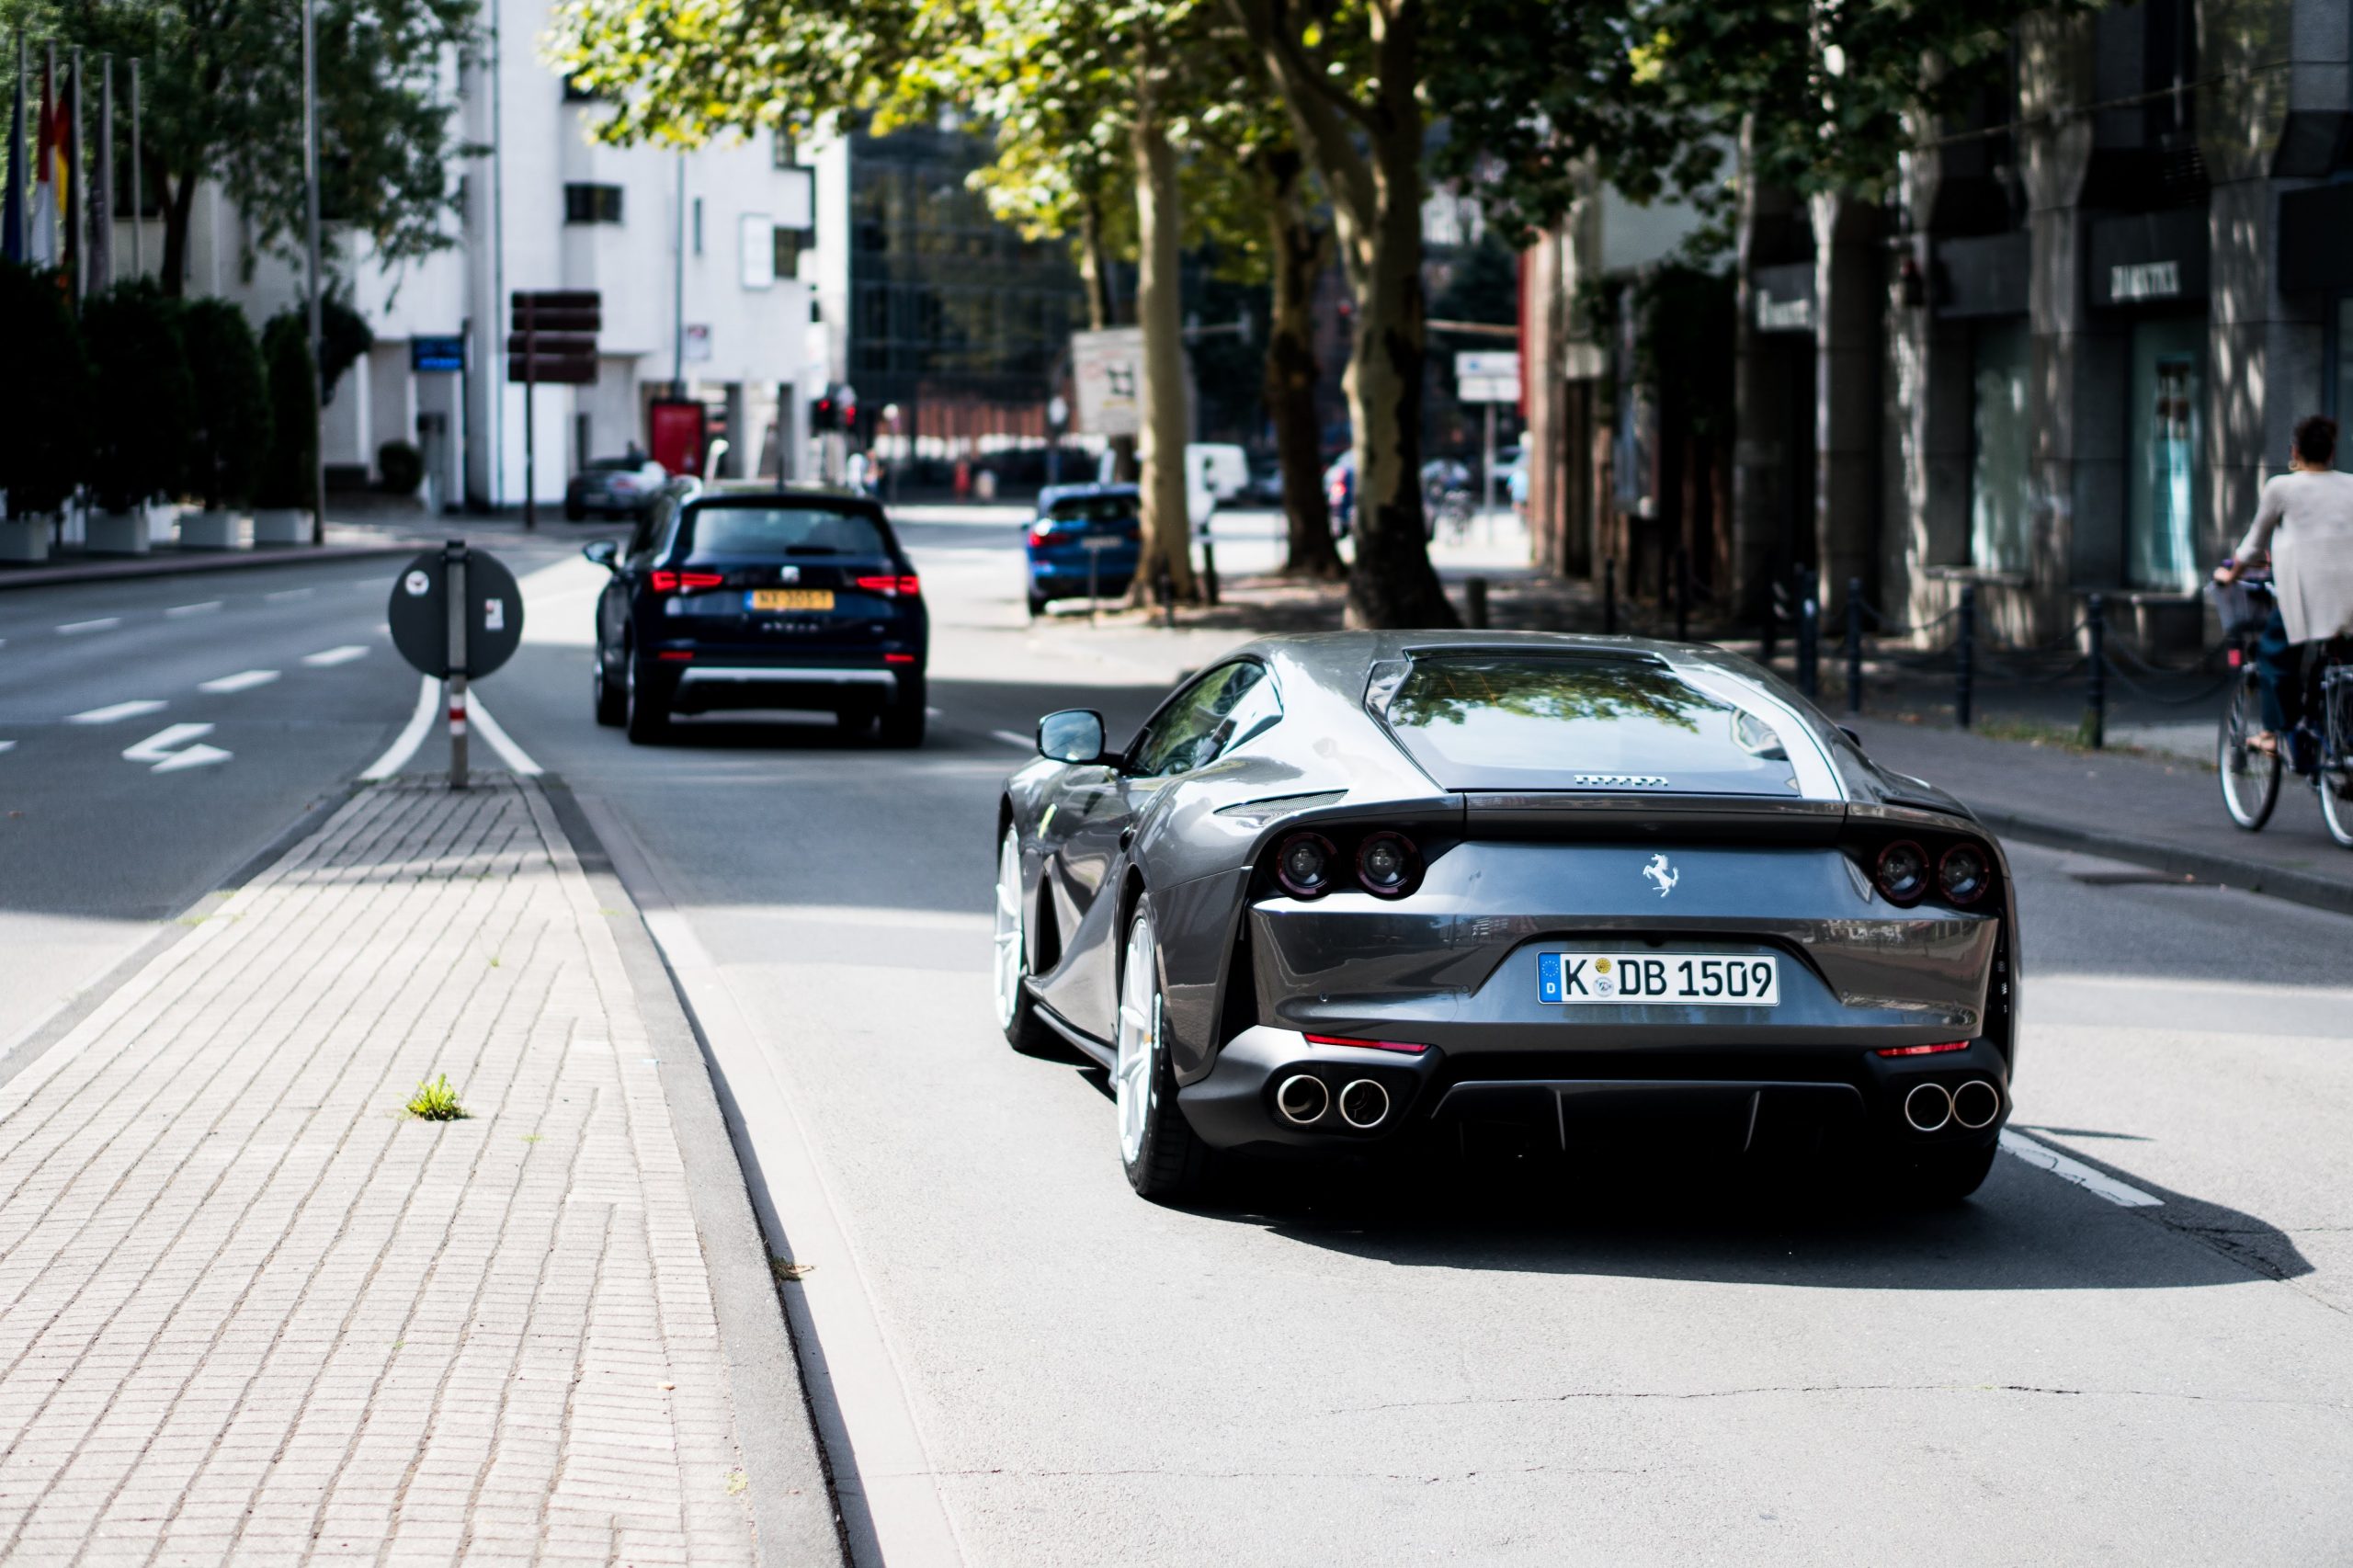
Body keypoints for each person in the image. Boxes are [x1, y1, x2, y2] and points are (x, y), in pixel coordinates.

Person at [2213, 415, 2353, 760]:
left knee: (2274, 654)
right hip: (2349, 597)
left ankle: (2276, 734)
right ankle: (2344, 737)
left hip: (2304, 596)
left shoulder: (2282, 487)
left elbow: (2253, 544)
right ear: (2332, 452)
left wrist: (2230, 573)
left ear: (2295, 451)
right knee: (2346, 660)